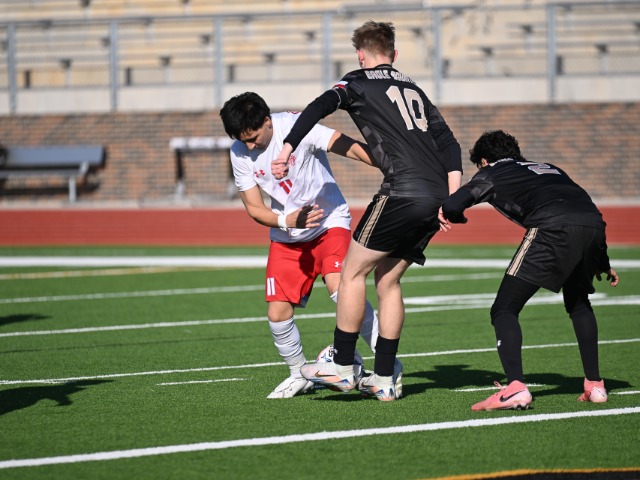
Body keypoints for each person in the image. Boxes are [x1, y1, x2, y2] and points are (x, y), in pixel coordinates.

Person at [273, 21, 462, 401]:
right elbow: (449, 142)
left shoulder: (357, 81)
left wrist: (288, 146)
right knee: (388, 281)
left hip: (401, 190)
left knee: (351, 274)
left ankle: (343, 365)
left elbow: (317, 108)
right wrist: (454, 199)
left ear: (360, 55)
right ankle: (385, 377)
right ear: (394, 54)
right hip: (437, 192)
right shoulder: (415, 89)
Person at [441, 129, 619, 411]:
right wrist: (603, 261)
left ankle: (515, 388)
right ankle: (595, 385)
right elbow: (582, 206)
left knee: (504, 309)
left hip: (552, 227)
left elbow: (452, 204)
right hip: (594, 227)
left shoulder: (491, 172)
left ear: (484, 161)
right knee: (578, 303)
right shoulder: (549, 167)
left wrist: (456, 216)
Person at [219, 91, 381, 399]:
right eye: (243, 141)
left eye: (253, 138)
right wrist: (287, 221)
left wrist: (389, 164)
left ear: (267, 121)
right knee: (277, 313)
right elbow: (254, 208)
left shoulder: (296, 125)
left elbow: (345, 145)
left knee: (341, 288)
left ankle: (386, 364)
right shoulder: (239, 151)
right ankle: (299, 374)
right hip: (288, 234)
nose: (250, 146)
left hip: (329, 222)